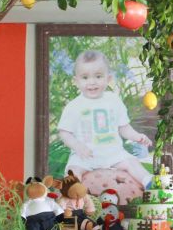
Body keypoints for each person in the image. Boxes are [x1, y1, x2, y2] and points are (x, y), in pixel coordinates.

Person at [57, 50, 152, 185]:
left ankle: (149, 182)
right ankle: (72, 193)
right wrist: (77, 146)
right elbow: (64, 132)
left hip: (113, 154)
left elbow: (123, 127)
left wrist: (137, 136)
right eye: (85, 77)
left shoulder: (114, 100)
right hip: (84, 157)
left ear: (108, 78)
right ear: (76, 81)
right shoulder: (73, 106)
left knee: (132, 162)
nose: (92, 82)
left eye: (98, 76)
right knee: (72, 171)